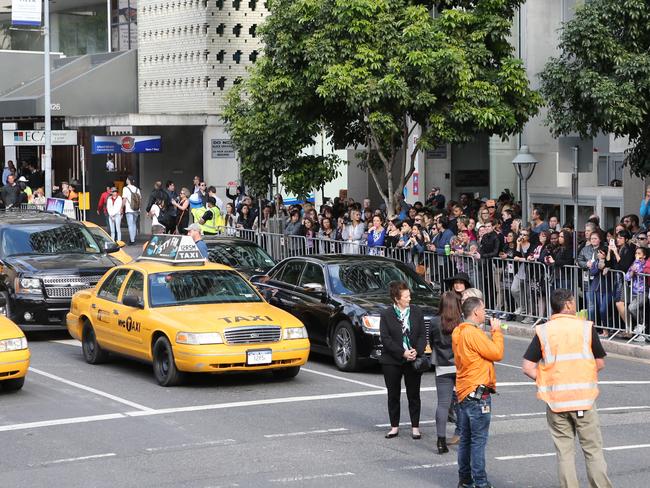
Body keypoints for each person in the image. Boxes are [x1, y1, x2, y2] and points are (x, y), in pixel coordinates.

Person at [522, 289, 612, 488]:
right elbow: (600, 363)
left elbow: (528, 367)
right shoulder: (585, 328)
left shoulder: (544, 330)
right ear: (569, 305)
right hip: (584, 401)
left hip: (556, 402)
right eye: (574, 302)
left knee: (565, 453)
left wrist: (547, 381)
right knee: (593, 451)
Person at [452, 297, 504, 488]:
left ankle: (465, 480)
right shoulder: (473, 333)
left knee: (466, 438)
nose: (485, 312)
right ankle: (480, 482)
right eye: (483, 309)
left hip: (464, 390)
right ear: (475, 312)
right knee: (478, 441)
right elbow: (496, 353)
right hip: (478, 393)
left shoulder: (459, 331)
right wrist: (496, 332)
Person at [379, 281, 426, 440]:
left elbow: (422, 335)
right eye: (406, 296)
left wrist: (416, 351)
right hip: (392, 360)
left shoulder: (416, 312)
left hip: (413, 358)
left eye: (409, 295)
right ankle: (394, 427)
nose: (409, 298)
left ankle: (415, 427)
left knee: (414, 394)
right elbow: (386, 339)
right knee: (393, 394)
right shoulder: (386, 314)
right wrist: (402, 353)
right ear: (396, 298)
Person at [430, 291, 462, 454]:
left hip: (442, 365)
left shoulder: (435, 321)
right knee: (462, 402)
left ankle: (440, 440)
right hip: (459, 366)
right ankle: (461, 433)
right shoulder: (461, 323)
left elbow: (431, 341)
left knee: (442, 404)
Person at [122, 176, 141, 245]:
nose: (126, 180)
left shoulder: (125, 188)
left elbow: (124, 199)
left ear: (129, 180)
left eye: (127, 179)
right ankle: (133, 238)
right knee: (134, 224)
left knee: (130, 225)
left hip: (129, 209)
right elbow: (140, 199)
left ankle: (132, 240)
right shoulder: (137, 189)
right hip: (136, 209)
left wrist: (121, 208)